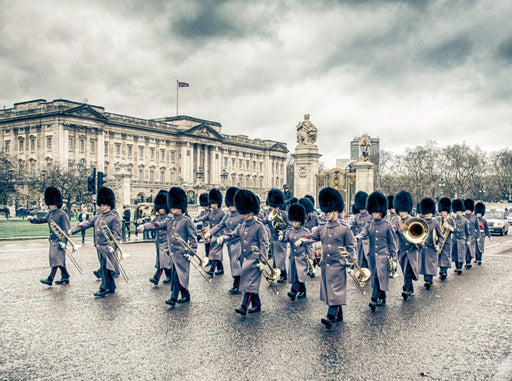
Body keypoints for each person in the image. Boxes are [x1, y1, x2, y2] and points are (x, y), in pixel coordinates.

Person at [297, 187, 356, 329]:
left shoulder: (344, 228)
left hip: (338, 265)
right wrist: (302, 240)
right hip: (326, 265)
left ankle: (330, 316)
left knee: (335, 290)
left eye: (329, 211)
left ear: (336, 210)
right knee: (331, 291)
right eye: (325, 212)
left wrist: (350, 265)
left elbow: (352, 247)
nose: (326, 214)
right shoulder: (322, 227)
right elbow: (312, 236)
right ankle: (338, 314)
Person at [138, 187, 198, 308]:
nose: (173, 208)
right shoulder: (169, 220)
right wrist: (145, 226)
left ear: (181, 206)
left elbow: (193, 239)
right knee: (178, 276)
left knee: (177, 277)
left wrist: (191, 253)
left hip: (182, 255)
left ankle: (173, 298)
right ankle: (185, 295)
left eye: (175, 206)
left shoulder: (187, 221)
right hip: (172, 254)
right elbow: (158, 224)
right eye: (172, 205)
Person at [218, 189, 269, 316]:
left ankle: (243, 307)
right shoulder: (241, 226)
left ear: (252, 211)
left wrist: (263, 262)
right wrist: (223, 237)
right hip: (245, 259)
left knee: (249, 285)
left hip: (256, 260)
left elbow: (264, 244)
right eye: (243, 213)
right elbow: (233, 234)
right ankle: (256, 305)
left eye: (246, 213)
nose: (244, 215)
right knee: (251, 284)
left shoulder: (259, 226)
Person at [70, 187, 122, 297]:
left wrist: (113, 246)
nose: (101, 207)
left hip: (108, 248)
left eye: (104, 205)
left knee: (105, 268)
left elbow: (117, 235)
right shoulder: (98, 215)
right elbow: (86, 223)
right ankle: (111, 287)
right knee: (105, 268)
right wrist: (73, 231)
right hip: (99, 247)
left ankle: (103, 288)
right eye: (101, 205)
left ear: (109, 204)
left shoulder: (114, 217)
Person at [356, 191, 397, 311]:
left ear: (381, 212)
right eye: (373, 212)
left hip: (384, 257)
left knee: (379, 278)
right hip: (373, 257)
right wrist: (357, 238)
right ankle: (382, 296)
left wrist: (394, 260)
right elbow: (363, 233)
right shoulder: (369, 225)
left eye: (377, 212)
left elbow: (392, 245)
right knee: (375, 278)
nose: (375, 214)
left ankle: (373, 299)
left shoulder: (387, 225)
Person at [28, 187, 71, 286]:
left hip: (59, 241)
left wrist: (64, 242)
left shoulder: (62, 214)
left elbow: (66, 230)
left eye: (51, 204)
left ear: (56, 203)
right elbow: (43, 220)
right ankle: (65, 277)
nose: (49, 206)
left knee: (55, 259)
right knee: (58, 259)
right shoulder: (50, 214)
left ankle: (50, 279)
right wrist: (32, 219)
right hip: (53, 240)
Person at [208, 187, 243, 294]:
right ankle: (239, 282)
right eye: (230, 204)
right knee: (234, 264)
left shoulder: (242, 215)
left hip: (239, 243)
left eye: (233, 204)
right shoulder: (227, 214)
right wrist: (210, 232)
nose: (231, 206)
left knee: (236, 263)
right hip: (230, 244)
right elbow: (220, 225)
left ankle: (237, 284)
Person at [279, 203, 313, 301]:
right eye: (293, 221)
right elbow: (286, 238)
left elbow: (309, 245)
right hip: (293, 258)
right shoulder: (290, 231)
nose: (294, 223)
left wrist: (311, 258)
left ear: (300, 220)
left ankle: (293, 291)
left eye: (296, 221)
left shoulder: (306, 231)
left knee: (300, 275)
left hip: (302, 258)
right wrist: (282, 238)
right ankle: (303, 291)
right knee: (296, 275)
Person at [393, 190, 421, 301]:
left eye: (404, 211)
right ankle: (410, 288)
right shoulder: (396, 221)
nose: (402, 213)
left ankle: (405, 288)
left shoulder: (413, 220)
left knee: (409, 269)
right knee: (405, 270)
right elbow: (393, 233)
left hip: (412, 248)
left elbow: (419, 233)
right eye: (400, 211)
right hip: (402, 250)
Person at [145, 190, 173, 285]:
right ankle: (170, 277)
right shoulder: (158, 217)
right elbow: (152, 222)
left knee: (163, 260)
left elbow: (159, 225)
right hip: (159, 242)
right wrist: (143, 222)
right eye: (159, 208)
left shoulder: (169, 217)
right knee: (163, 261)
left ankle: (156, 278)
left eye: (162, 208)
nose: (160, 210)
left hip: (166, 242)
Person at [265, 188, 290, 283]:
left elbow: (290, 226)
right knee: (275, 259)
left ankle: (281, 274)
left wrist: (283, 233)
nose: (272, 208)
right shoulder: (268, 214)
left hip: (281, 239)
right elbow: (264, 221)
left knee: (280, 258)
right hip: (273, 239)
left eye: (274, 206)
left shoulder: (284, 214)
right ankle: (283, 275)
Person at [418, 198, 443, 290]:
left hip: (432, 247)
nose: (427, 215)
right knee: (425, 265)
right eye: (426, 213)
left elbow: (441, 237)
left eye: (429, 213)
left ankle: (429, 280)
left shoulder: (435, 223)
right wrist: (419, 242)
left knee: (431, 265)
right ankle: (427, 280)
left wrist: (438, 246)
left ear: (432, 213)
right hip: (424, 247)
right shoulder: (421, 222)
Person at [203, 189, 225, 276]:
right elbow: (203, 218)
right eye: (211, 203)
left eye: (214, 203)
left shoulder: (222, 214)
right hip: (212, 235)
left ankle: (212, 270)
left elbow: (223, 225)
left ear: (218, 204)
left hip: (219, 236)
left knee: (214, 253)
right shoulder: (210, 213)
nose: (212, 205)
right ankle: (220, 269)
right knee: (216, 253)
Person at [350, 191, 371, 269]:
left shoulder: (370, 216)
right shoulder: (357, 217)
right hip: (360, 242)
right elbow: (349, 224)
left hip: (369, 242)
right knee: (360, 263)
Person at [437, 197, 455, 280]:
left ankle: (444, 271)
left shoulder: (451, 220)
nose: (443, 213)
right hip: (438, 240)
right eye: (442, 211)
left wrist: (449, 227)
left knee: (445, 256)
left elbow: (454, 229)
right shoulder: (438, 219)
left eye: (444, 211)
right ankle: (441, 270)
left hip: (447, 241)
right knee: (439, 256)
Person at [451, 199, 469, 275]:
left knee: (461, 253)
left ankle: (460, 267)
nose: (458, 213)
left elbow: (467, 232)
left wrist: (467, 240)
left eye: (459, 211)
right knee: (455, 253)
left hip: (462, 238)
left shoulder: (465, 220)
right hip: (455, 238)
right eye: (457, 211)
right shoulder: (453, 220)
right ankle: (456, 266)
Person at [463, 199, 480, 270]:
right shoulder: (463, 217)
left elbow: (477, 227)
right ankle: (466, 261)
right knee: (465, 249)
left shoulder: (474, 217)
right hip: (465, 236)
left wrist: (478, 235)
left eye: (469, 210)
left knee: (470, 249)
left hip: (472, 236)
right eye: (467, 210)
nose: (468, 211)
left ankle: (468, 261)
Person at [194, 193, 211, 260]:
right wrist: (194, 219)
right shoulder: (203, 212)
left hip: (209, 230)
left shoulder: (210, 211)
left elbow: (203, 218)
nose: (204, 206)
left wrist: (197, 219)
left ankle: (210, 259)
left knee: (210, 247)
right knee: (206, 247)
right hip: (204, 231)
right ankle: (207, 258)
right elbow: (198, 216)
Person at [474, 201, 491, 265]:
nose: (478, 214)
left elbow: (486, 228)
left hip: (482, 235)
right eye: (478, 213)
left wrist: (489, 236)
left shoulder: (484, 220)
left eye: (480, 213)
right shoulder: (474, 219)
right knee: (475, 247)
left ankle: (479, 259)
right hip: (475, 234)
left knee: (480, 247)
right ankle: (476, 258)